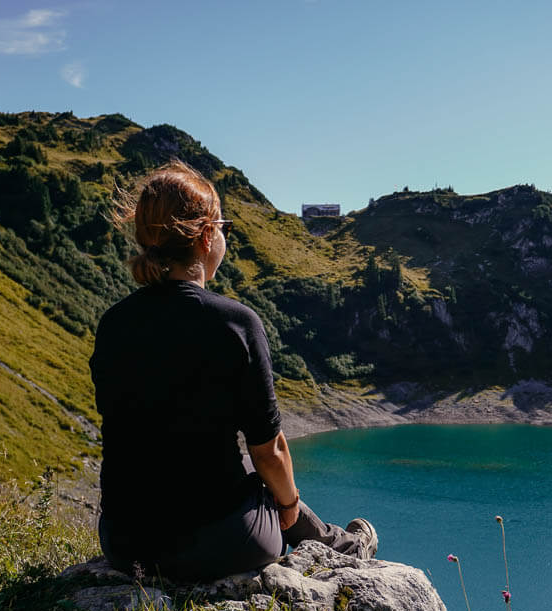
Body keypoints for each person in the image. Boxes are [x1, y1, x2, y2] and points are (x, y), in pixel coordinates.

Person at [89, 160, 377, 582]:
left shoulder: (113, 324)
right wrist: (291, 505)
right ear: (206, 236)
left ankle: (341, 542)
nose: (225, 235)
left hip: (124, 543)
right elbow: (269, 449)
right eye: (223, 226)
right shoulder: (234, 323)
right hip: (215, 545)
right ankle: (344, 547)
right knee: (265, 484)